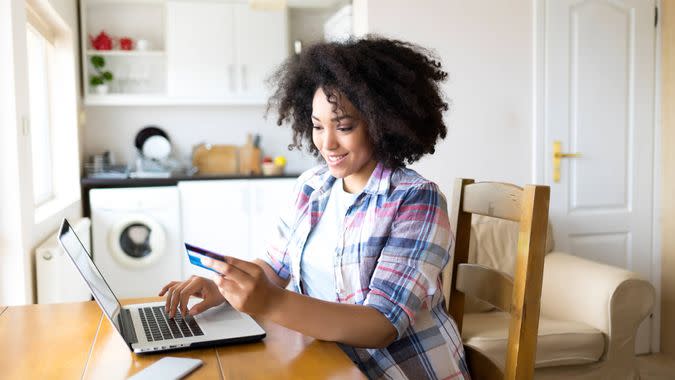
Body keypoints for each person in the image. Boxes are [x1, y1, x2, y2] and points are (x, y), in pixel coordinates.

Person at [160, 36, 470, 380]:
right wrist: (222, 286)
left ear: (382, 121)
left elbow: (382, 325)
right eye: (318, 126)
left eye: (344, 126)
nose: (327, 143)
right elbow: (275, 267)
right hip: (327, 362)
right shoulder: (314, 186)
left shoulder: (415, 199)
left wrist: (270, 303)